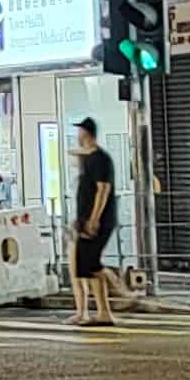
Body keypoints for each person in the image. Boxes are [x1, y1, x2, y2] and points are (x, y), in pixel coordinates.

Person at [69, 117, 121, 329]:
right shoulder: (91, 158)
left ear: (86, 133)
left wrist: (94, 219)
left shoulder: (100, 159)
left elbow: (103, 190)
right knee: (86, 267)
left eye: (79, 131)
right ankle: (103, 313)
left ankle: (121, 292)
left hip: (97, 221)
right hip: (86, 221)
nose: (77, 135)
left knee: (91, 265)